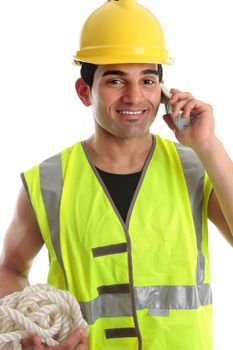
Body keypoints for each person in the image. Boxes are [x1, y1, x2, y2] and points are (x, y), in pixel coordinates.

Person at [0, 0, 233, 349]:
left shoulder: (198, 168)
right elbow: (11, 269)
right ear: (84, 92)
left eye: (148, 80)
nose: (135, 96)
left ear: (164, 93)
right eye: (115, 80)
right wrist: (32, 335)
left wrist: (209, 144)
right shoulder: (47, 182)